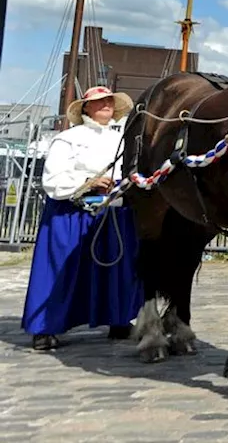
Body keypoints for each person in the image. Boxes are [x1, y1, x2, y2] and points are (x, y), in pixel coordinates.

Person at [22, 85, 145, 351]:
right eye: (99, 101)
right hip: (72, 213)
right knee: (61, 270)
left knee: (118, 269)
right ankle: (45, 327)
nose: (106, 105)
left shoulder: (124, 139)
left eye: (109, 101)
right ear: (85, 108)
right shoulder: (67, 139)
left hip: (113, 212)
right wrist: (88, 182)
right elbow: (52, 179)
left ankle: (119, 319)